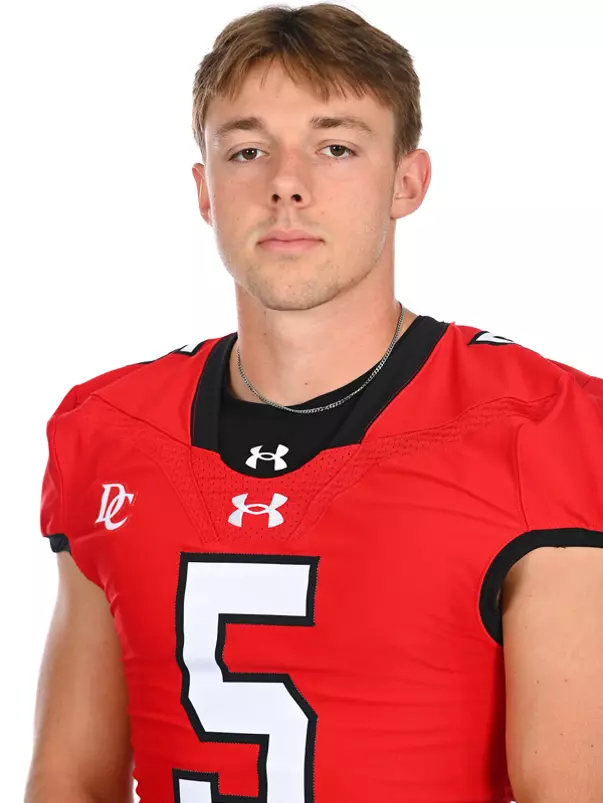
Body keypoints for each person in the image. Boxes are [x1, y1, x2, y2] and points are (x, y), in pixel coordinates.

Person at [26, 4, 603, 803]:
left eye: (335, 147)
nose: (285, 184)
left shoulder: (541, 426)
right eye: (247, 149)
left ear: (407, 181)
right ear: (204, 188)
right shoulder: (109, 428)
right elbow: (71, 782)